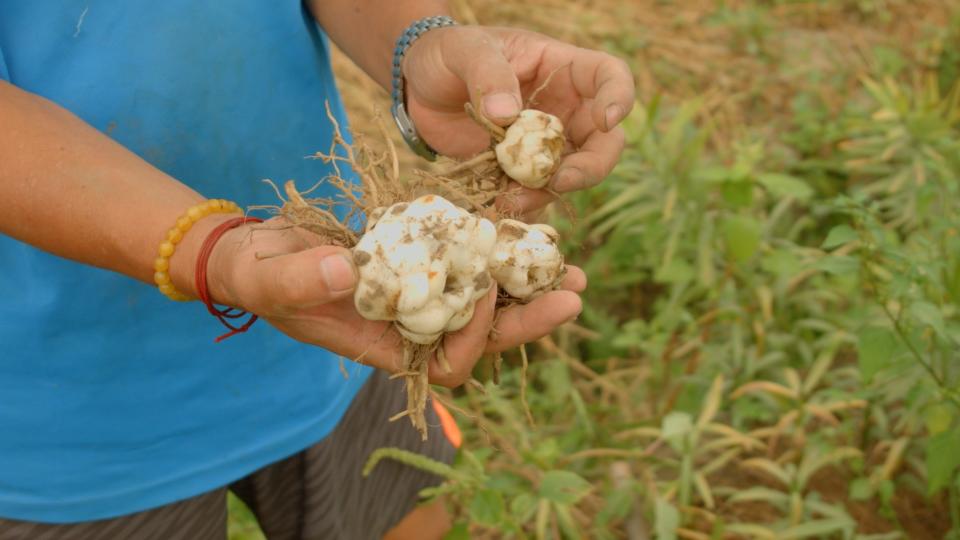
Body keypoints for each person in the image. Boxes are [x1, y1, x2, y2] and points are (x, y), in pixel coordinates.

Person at [0, 1, 634, 538]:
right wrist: (209, 250)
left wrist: (418, 42)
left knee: (408, 515)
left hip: (337, 306)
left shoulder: (379, 280)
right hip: (63, 413)